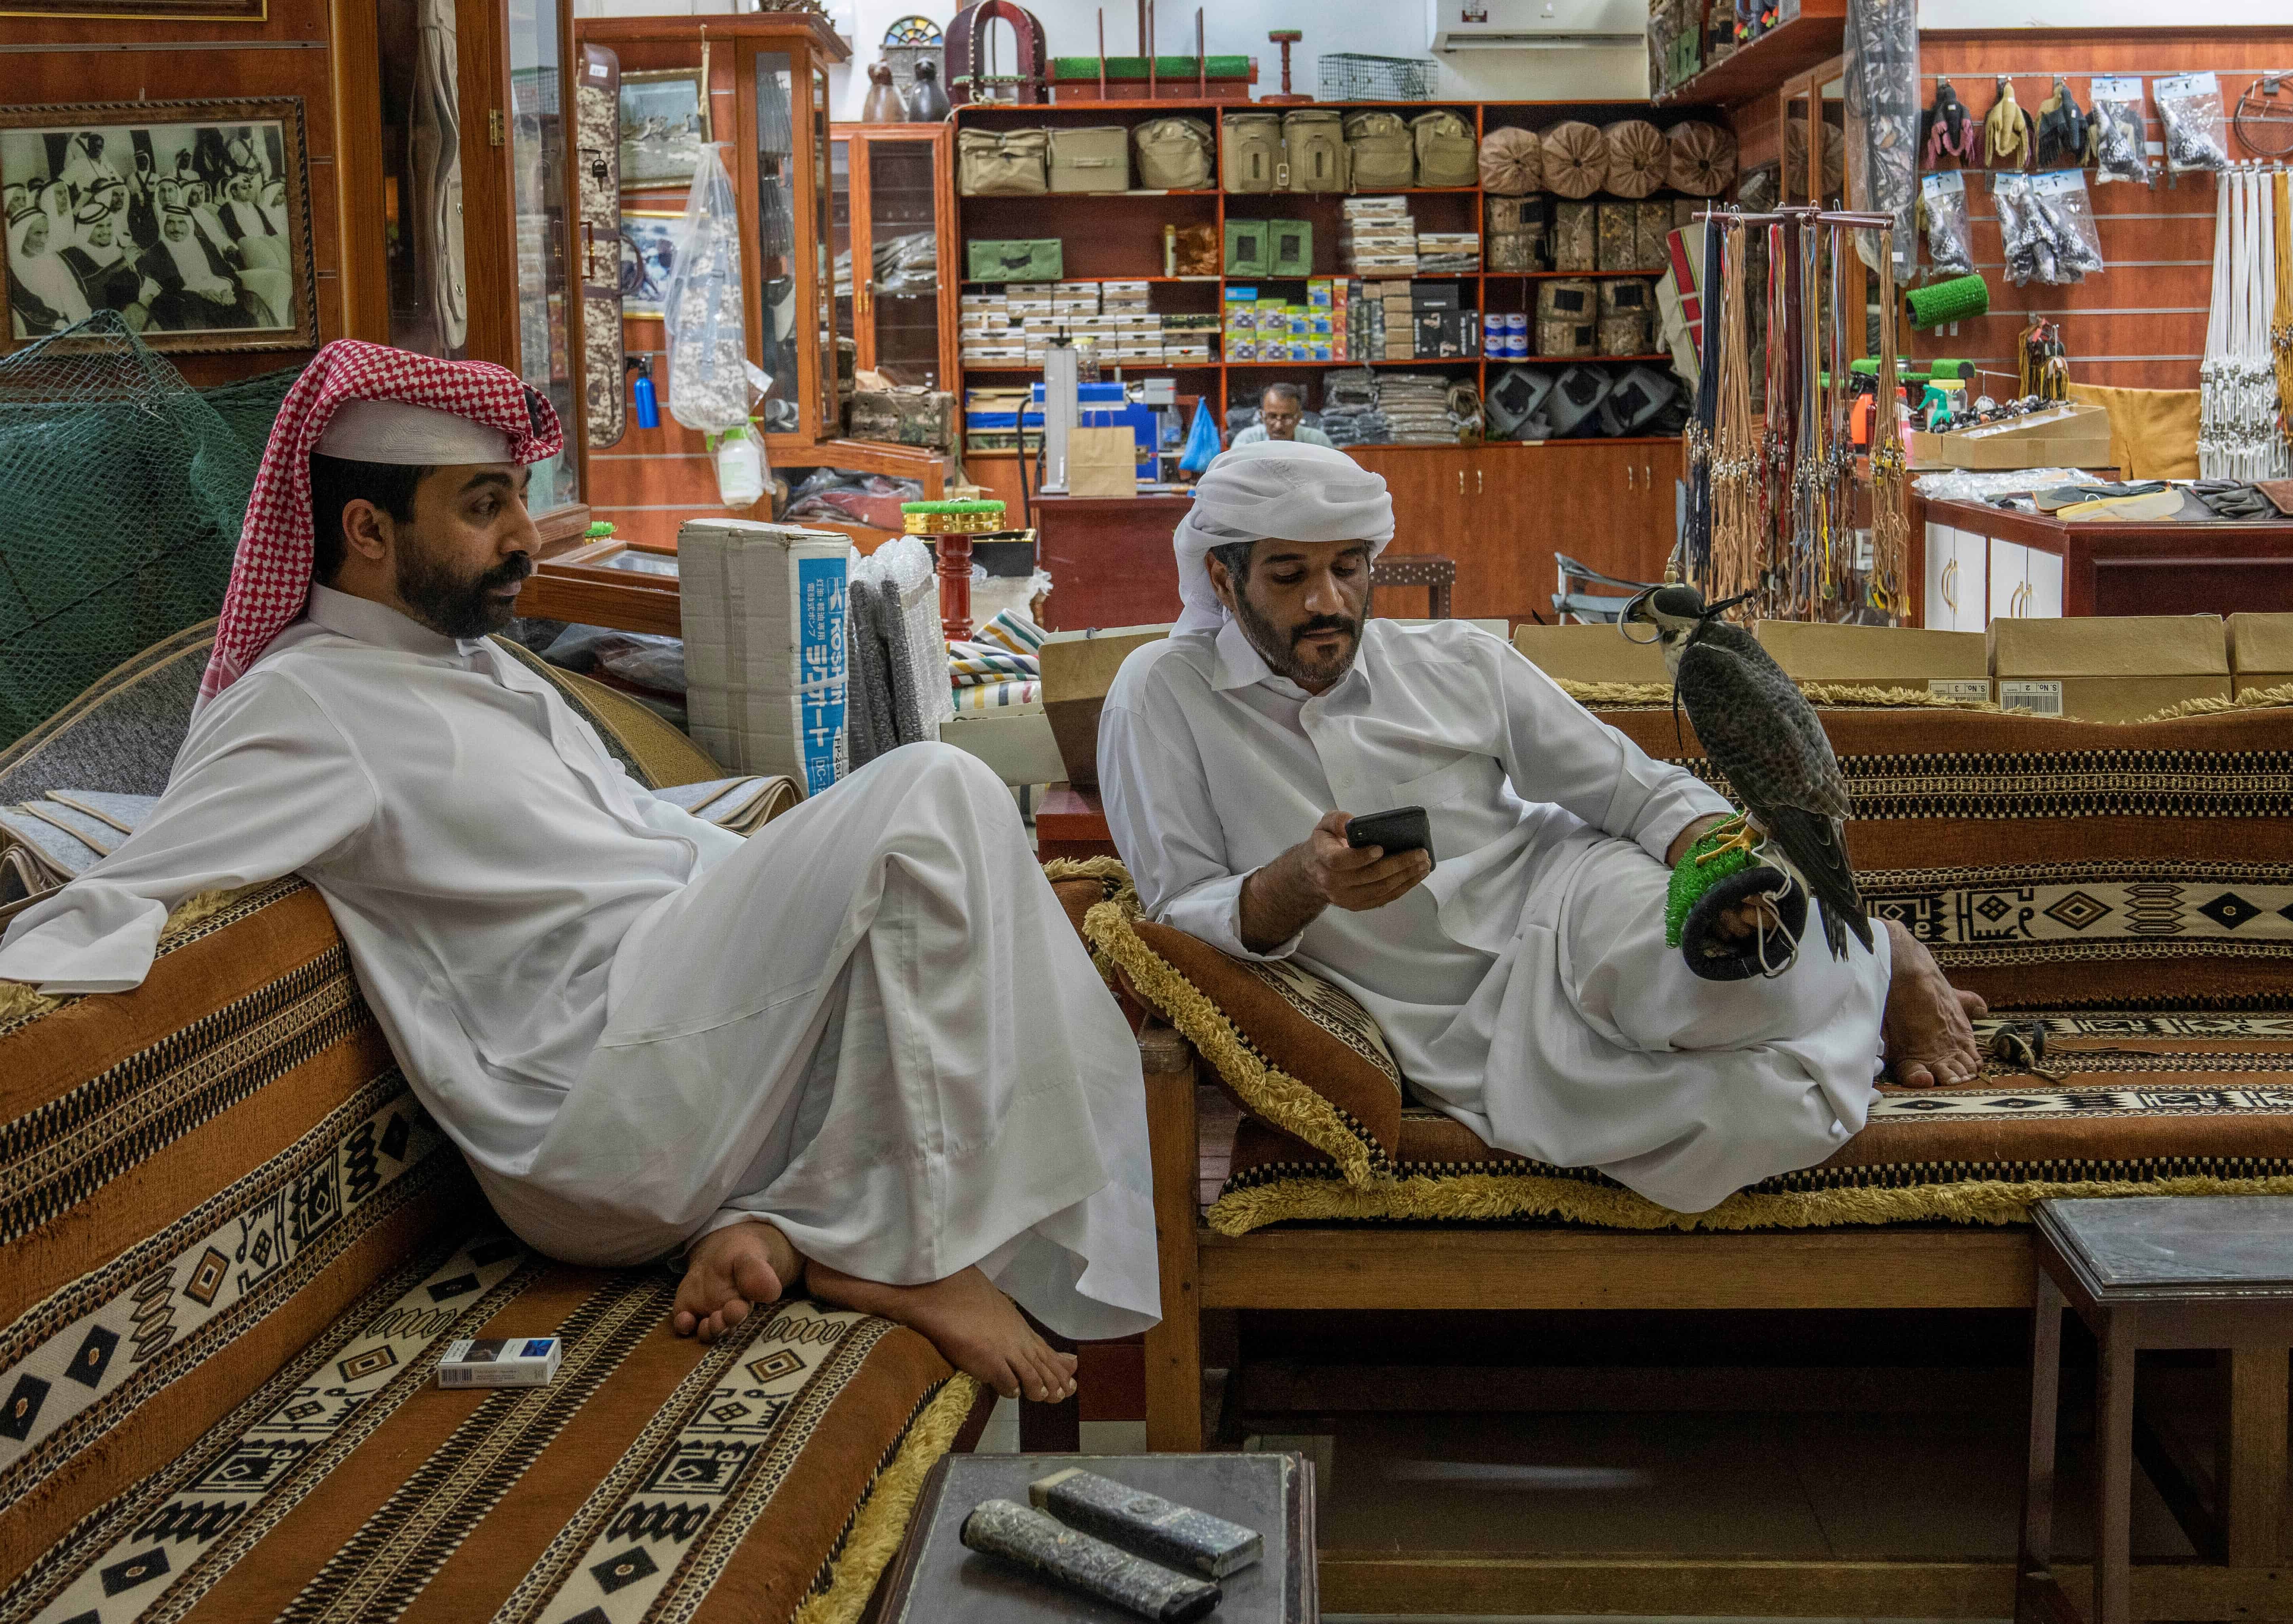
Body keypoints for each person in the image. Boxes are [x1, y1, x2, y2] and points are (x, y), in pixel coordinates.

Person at [0, 341, 1158, 1402]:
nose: (522, 536)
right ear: (365, 531)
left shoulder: (471, 668)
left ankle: (779, 1225)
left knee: (918, 891)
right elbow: (144, 876)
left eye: (517, 500)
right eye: (483, 507)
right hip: (590, 1107)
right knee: (933, 795)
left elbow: (632, 843)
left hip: (672, 1038)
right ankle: (909, 1254)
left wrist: (788, 871)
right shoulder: (304, 707)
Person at [1095, 440, 1986, 1217]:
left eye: (1349, 568)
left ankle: (1871, 950)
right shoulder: (1160, 696)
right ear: (1222, 575)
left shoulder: (1459, 660)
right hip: (1449, 1018)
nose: (1327, 602)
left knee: (1723, 977)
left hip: (1572, 895)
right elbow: (1175, 913)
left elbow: (1634, 792)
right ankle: (1866, 979)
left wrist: (1717, 875)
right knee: (1742, 1123)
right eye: (1289, 575)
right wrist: (1301, 883)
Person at [136, 197, 253, 330]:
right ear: (163, 225)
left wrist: (226, 290)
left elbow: (229, 274)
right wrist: (201, 292)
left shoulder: (205, 244)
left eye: (181, 223)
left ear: (189, 224)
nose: (176, 229)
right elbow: (168, 285)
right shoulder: (156, 252)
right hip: (187, 305)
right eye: (171, 223)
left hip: (221, 297)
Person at [7, 200, 92, 337]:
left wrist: (79, 324)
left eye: (47, 233)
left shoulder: (53, 258)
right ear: (21, 234)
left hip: (69, 325)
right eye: (38, 233)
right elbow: (24, 306)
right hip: (38, 329)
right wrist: (56, 324)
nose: (44, 240)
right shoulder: (10, 269)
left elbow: (71, 294)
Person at [60, 192, 143, 316]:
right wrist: (123, 263)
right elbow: (90, 290)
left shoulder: (118, 250)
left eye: (109, 225)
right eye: (99, 226)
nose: (106, 231)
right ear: (86, 230)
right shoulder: (73, 254)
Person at [1229, 381, 1334, 448]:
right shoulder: (1247, 442)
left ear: (1299, 418)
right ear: (1262, 416)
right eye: (1272, 416)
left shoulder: (1318, 443)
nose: (1279, 425)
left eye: (1287, 417)